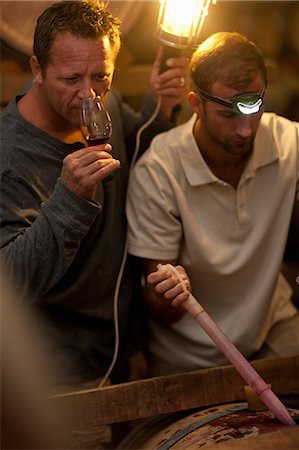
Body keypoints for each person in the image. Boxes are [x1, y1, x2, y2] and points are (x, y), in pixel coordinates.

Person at [0, 0, 190, 393]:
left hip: (121, 349)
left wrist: (162, 106)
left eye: (100, 75)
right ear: (37, 69)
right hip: (56, 378)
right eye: (70, 79)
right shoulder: (8, 155)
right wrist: (68, 197)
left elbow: (138, 162)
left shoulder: (106, 107)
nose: (88, 93)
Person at [126, 31, 299, 377]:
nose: (246, 130)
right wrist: (169, 292)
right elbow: (163, 308)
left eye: (254, 107)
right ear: (195, 103)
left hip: (272, 327)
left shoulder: (287, 142)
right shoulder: (159, 170)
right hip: (191, 352)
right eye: (228, 115)